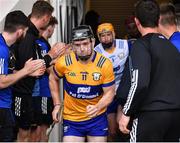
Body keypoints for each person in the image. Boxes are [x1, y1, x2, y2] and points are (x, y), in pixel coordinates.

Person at [118, 0, 180, 142]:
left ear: (137, 21)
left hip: (151, 115)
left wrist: (126, 112)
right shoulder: (171, 46)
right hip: (176, 115)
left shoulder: (141, 45)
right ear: (158, 19)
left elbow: (140, 83)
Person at [49, 25, 115, 142]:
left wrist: (97, 107)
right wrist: (57, 104)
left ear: (93, 42)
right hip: (72, 119)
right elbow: (53, 77)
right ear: (72, 45)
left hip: (96, 119)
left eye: (85, 44)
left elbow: (110, 92)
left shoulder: (104, 64)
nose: (82, 49)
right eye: (77, 45)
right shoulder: (65, 62)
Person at [11, 1, 65, 142]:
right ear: (46, 17)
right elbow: (29, 67)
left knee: (28, 134)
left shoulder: (32, 35)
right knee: (24, 135)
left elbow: (35, 65)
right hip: (21, 93)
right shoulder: (27, 35)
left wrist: (53, 59)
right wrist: (51, 55)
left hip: (29, 93)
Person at [0, 10, 45, 142]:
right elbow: (1, 82)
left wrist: (27, 72)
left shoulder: (5, 47)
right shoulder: (2, 50)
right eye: (25, 31)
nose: (25, 35)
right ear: (19, 31)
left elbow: (6, 74)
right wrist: (25, 71)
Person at [94, 23, 129, 141]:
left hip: (124, 92)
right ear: (98, 38)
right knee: (112, 131)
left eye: (108, 34)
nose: (106, 38)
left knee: (123, 126)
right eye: (102, 36)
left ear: (113, 34)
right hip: (108, 93)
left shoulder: (125, 45)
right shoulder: (96, 52)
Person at [33, 16, 58, 142]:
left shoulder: (43, 43)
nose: (53, 30)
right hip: (43, 91)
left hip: (44, 91)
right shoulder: (41, 44)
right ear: (49, 27)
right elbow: (46, 67)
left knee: (43, 128)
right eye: (53, 27)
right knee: (41, 129)